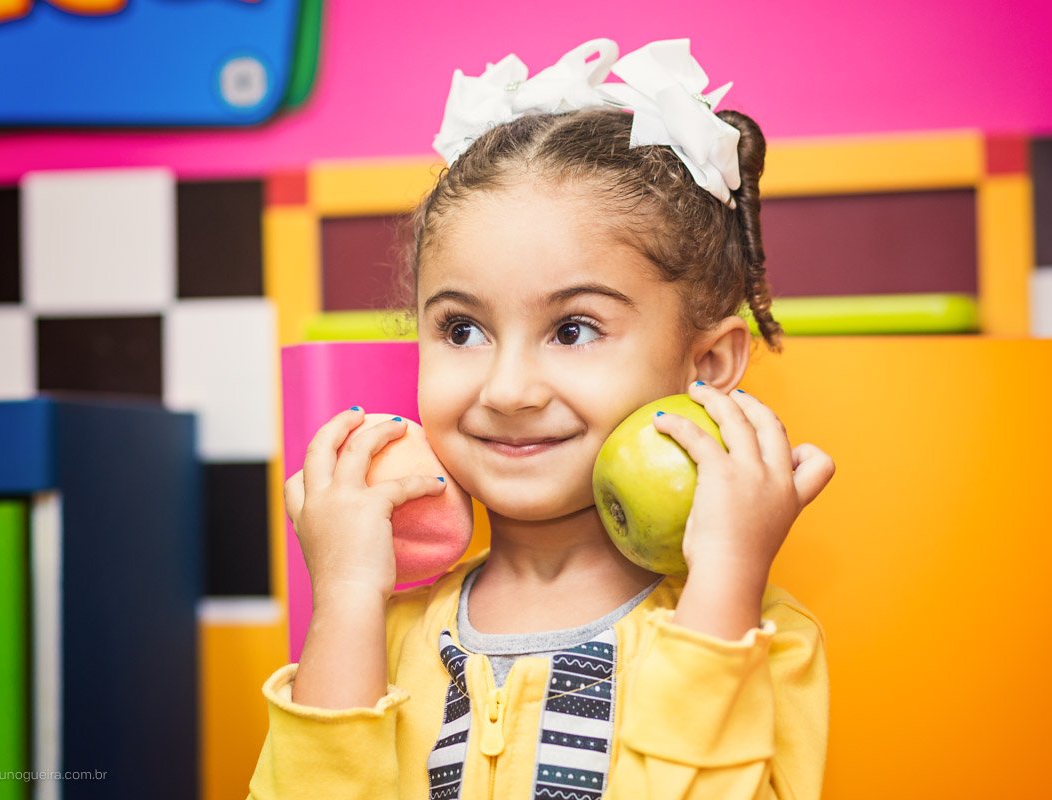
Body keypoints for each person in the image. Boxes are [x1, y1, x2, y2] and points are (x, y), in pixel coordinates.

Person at [248, 38, 836, 800]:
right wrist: (350, 595)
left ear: (709, 365)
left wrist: (724, 576)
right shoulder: (381, 636)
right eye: (462, 330)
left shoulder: (761, 636)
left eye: (573, 329)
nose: (508, 388)